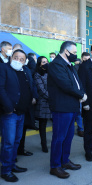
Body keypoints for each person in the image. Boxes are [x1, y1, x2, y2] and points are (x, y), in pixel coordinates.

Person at [48, 41, 87, 179]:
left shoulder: (68, 65)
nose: (76, 55)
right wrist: (81, 95)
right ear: (66, 52)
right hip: (62, 108)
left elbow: (77, 82)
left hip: (72, 107)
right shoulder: (56, 65)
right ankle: (55, 166)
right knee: (59, 138)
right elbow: (66, 85)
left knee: (69, 137)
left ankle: (64, 161)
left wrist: (82, 93)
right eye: (74, 53)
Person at [0, 49, 36, 182]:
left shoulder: (25, 70)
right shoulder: (4, 68)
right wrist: (8, 107)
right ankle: (5, 170)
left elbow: (31, 85)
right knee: (8, 142)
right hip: (10, 113)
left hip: (22, 112)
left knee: (16, 140)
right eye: (16, 57)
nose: (18, 61)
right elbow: (1, 88)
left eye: (22, 59)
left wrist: (34, 97)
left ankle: (12, 165)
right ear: (11, 57)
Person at [34, 56, 51, 153]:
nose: (46, 63)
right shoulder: (37, 74)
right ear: (39, 63)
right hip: (43, 102)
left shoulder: (51, 72)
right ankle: (43, 144)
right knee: (43, 124)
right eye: (43, 62)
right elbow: (41, 90)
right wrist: (51, 97)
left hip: (53, 102)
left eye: (47, 61)